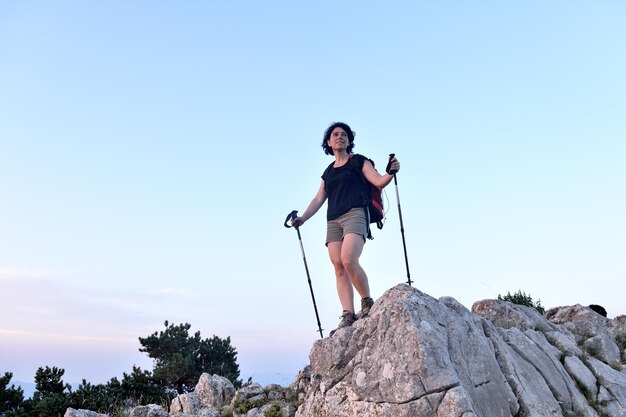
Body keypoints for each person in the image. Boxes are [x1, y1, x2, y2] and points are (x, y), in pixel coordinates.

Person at [292, 122, 400, 334]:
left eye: (344, 134)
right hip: (333, 219)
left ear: (349, 141)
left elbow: (378, 181)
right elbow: (318, 198)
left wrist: (390, 172)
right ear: (329, 143)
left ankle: (367, 301)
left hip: (356, 212)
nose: (339, 137)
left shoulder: (358, 161)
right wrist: (302, 218)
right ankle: (348, 313)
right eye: (335, 134)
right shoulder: (328, 173)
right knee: (338, 265)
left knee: (349, 259)